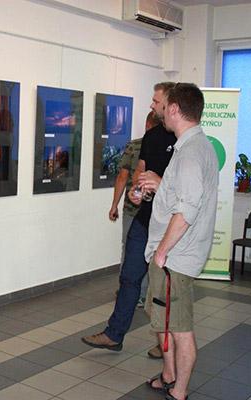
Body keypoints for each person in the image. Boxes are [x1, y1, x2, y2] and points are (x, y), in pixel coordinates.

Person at [81, 82, 177, 355]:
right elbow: (140, 172)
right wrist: (136, 191)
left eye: (155, 100)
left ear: (169, 103)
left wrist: (160, 185)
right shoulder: (151, 137)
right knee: (129, 277)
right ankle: (114, 334)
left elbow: (187, 190)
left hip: (171, 225)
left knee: (164, 286)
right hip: (145, 219)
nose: (151, 104)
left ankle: (166, 344)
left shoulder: (185, 142)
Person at [144, 83, 218, 400]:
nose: (159, 110)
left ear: (174, 109)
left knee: (180, 327)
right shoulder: (193, 146)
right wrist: (159, 189)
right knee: (166, 320)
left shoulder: (190, 152)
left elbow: (187, 210)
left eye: (164, 105)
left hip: (176, 258)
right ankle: (169, 374)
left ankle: (180, 391)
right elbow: (183, 196)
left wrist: (162, 252)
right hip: (174, 256)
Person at [109, 111, 161, 305]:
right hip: (154, 210)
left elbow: (122, 177)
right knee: (150, 251)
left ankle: (127, 292)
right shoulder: (168, 146)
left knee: (129, 248)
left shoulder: (134, 145)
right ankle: (144, 293)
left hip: (132, 208)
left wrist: (114, 205)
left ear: (147, 124)